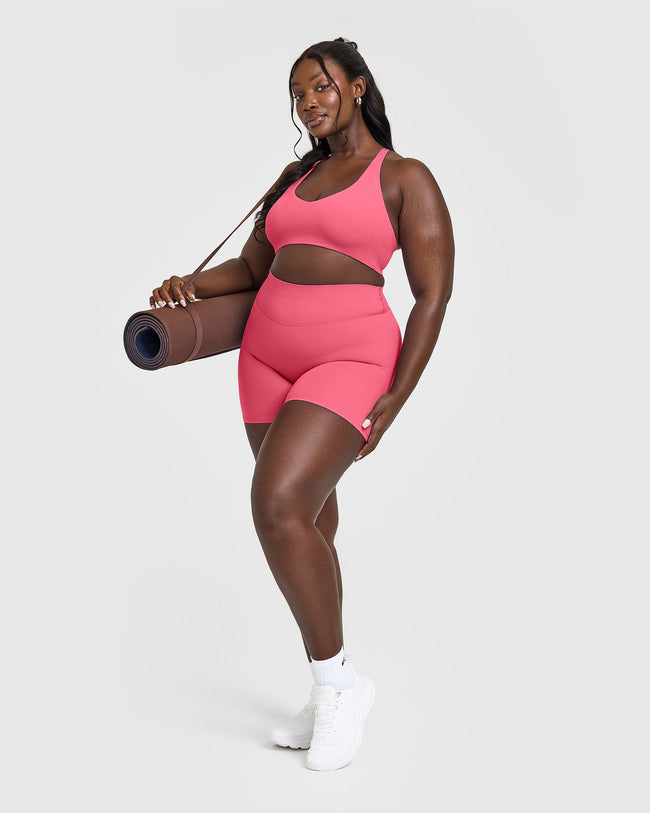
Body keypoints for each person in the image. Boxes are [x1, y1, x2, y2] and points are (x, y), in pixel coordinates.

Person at [149, 37, 454, 771]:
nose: (308, 102)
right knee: (310, 521)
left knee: (277, 505)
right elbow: (253, 266)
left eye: (320, 86)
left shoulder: (404, 177)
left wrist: (397, 396)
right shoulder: (295, 177)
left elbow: (432, 293)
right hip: (264, 358)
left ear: (357, 86)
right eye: (297, 93)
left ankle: (338, 685)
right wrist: (189, 286)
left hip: (351, 358)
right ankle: (330, 688)